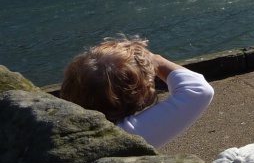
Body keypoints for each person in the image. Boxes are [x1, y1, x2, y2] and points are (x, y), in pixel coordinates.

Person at [60, 36, 214, 149]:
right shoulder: (123, 136)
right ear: (138, 96)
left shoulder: (56, 128)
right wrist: (156, 61)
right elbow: (199, 90)